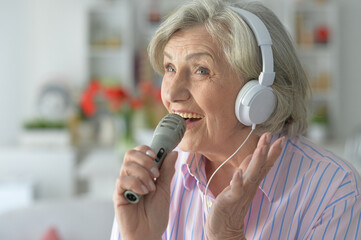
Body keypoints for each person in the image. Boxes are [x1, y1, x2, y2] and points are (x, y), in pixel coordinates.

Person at [111, 0, 361, 239]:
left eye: (201, 70)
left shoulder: (335, 190)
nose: (171, 94)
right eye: (170, 68)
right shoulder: (154, 180)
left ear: (257, 95)